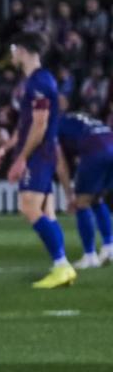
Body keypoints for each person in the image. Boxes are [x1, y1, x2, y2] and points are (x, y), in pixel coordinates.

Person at [0, 32, 75, 288]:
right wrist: (6, 149)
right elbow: (26, 125)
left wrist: (22, 159)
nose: (12, 53)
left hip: (39, 153)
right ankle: (62, 266)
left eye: (14, 48)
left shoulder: (39, 81)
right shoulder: (36, 81)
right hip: (40, 151)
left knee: (28, 207)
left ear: (24, 50)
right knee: (47, 211)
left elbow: (39, 125)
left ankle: (61, 265)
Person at [55, 110, 113, 268]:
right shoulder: (75, 118)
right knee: (97, 199)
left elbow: (61, 165)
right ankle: (109, 247)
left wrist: (69, 195)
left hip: (95, 149)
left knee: (82, 203)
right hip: (111, 142)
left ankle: (89, 256)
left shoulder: (53, 126)